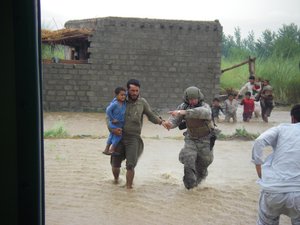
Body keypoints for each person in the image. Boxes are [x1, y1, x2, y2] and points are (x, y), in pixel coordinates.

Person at [107, 79, 167, 189]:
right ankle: (116, 181)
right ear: (127, 90)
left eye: (137, 90)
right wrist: (111, 129)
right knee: (115, 164)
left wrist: (161, 122)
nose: (134, 93)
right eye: (132, 91)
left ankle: (129, 188)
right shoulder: (119, 100)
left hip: (133, 138)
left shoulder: (142, 102)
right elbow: (108, 116)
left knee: (130, 165)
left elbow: (151, 115)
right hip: (118, 137)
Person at [251, 104, 300, 225]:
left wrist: (259, 169)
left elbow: (259, 141)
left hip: (273, 190)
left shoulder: (282, 128)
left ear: (292, 118)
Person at [164, 86, 216, 189]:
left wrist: (183, 112)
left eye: (194, 99)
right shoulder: (183, 106)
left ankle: (199, 183)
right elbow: (175, 120)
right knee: (188, 159)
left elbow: (204, 113)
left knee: (203, 165)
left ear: (199, 98)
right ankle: (189, 188)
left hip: (206, 139)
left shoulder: (205, 107)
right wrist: (169, 124)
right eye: (190, 99)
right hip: (191, 139)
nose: (192, 102)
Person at [103, 87, 127, 155]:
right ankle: (112, 150)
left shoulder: (124, 103)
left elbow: (127, 93)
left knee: (111, 136)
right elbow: (108, 110)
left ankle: (106, 149)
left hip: (119, 123)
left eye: (124, 95)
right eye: (121, 95)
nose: (123, 96)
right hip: (114, 124)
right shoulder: (115, 103)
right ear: (116, 96)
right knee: (118, 135)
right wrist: (112, 119)